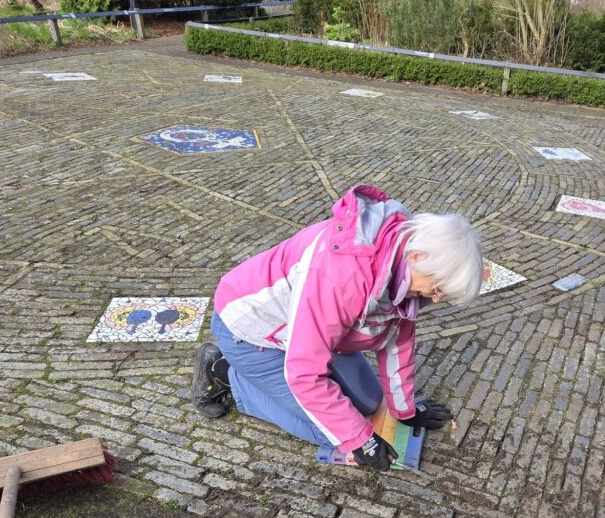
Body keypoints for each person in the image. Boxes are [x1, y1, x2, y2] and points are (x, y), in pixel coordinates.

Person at [191, 185, 485, 471]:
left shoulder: (402, 266)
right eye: (437, 287)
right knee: (332, 433)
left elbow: (397, 342)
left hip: (308, 331)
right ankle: (223, 372)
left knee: (369, 403)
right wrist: (360, 441)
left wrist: (405, 411)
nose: (436, 298)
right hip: (249, 329)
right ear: (418, 257)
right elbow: (305, 374)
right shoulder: (342, 278)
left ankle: (255, 376)